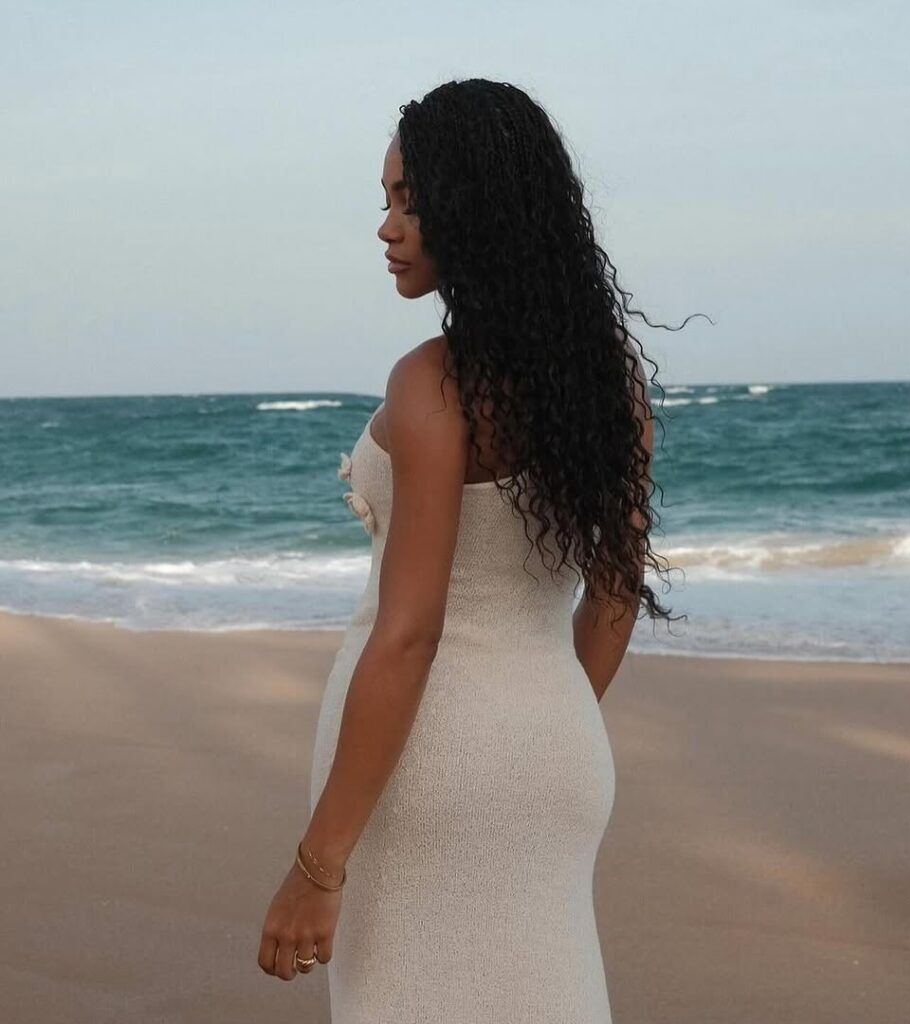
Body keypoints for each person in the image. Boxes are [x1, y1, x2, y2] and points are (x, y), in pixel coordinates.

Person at [257, 78, 683, 1023]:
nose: (389, 226)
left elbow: (409, 634)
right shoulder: (612, 387)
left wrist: (316, 865)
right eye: (386, 202)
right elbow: (613, 600)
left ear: (478, 208)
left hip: (425, 772)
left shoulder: (432, 387)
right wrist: (534, 718)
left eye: (411, 201)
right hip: (558, 755)